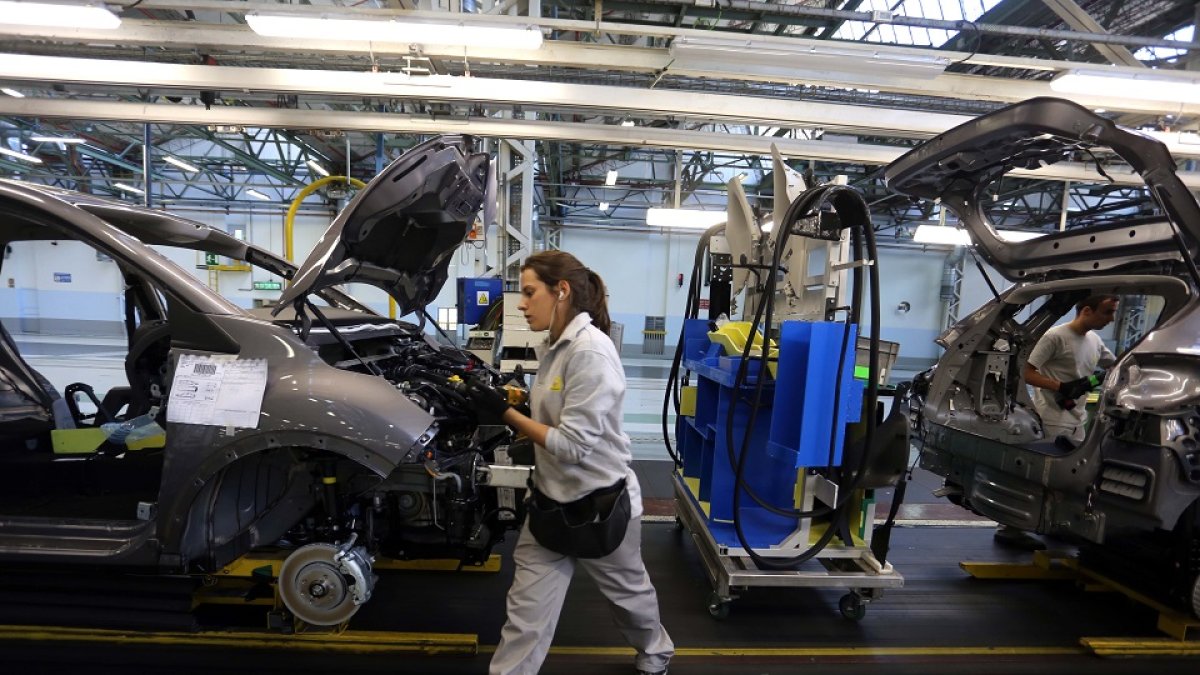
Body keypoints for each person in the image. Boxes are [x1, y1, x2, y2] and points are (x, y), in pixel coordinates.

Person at [466, 250, 673, 675]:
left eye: (528, 292)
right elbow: (556, 412)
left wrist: (505, 414)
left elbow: (573, 445)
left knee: (630, 600)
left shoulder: (590, 352)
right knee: (525, 616)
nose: (521, 304)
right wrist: (515, 398)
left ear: (561, 292)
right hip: (550, 504)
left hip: (600, 507)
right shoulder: (554, 347)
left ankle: (655, 653)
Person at [998, 293, 1118, 550]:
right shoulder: (1055, 336)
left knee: (1075, 478)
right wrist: (1061, 386)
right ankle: (1012, 527)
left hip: (1078, 419)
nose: (1112, 319)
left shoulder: (1095, 341)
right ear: (1087, 310)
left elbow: (1117, 365)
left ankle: (1056, 524)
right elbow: (1026, 371)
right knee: (1042, 476)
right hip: (1052, 417)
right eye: (1107, 312)